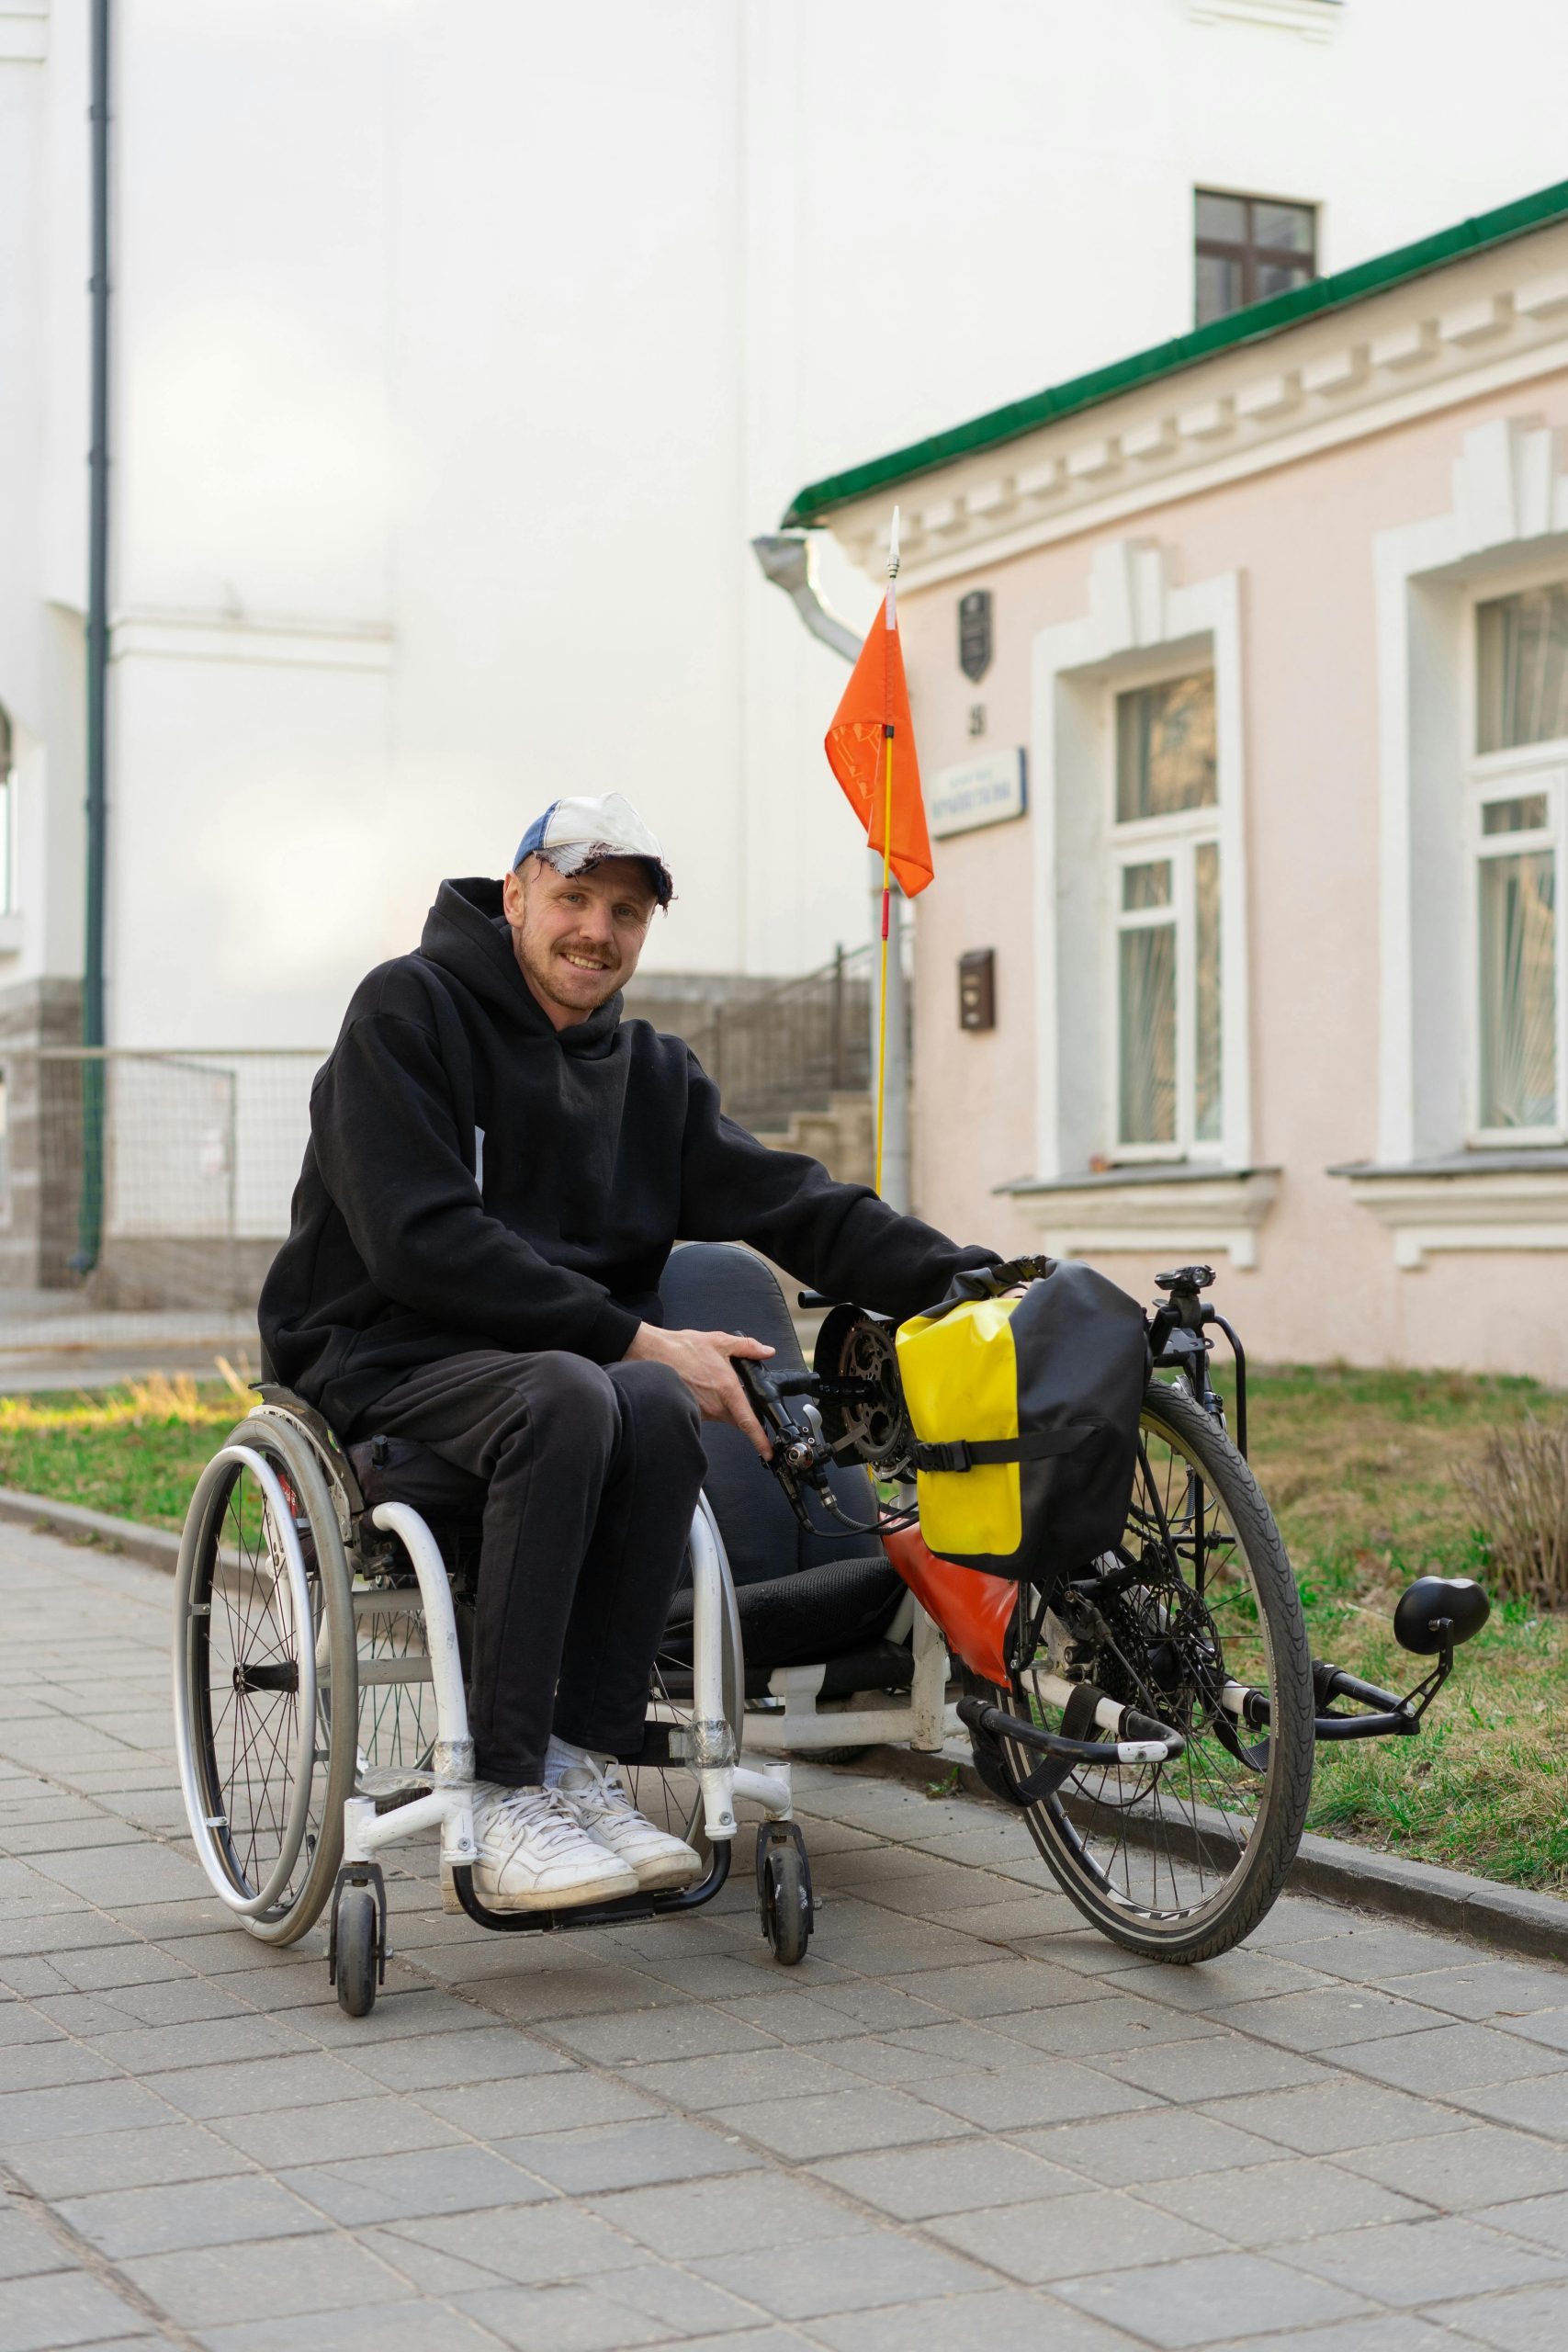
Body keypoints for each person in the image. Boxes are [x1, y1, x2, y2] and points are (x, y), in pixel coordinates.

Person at [260, 792, 994, 1912]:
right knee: (592, 1385)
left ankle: (573, 1763)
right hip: (387, 1362)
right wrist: (638, 1336)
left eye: (628, 912)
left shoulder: (648, 1073)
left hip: (561, 1382)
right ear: (515, 896)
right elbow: (421, 1244)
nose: (598, 931)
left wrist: (965, 1281)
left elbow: (793, 1201)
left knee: (645, 1401)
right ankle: (504, 1795)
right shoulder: (406, 1012)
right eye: (575, 898)